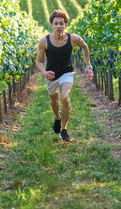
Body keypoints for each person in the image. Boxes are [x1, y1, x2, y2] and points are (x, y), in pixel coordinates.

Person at [35, 9, 93, 141]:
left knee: (65, 97)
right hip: (51, 75)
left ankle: (64, 129)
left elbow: (84, 46)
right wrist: (44, 72)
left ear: (65, 25)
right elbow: (38, 62)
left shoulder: (73, 38)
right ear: (52, 25)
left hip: (67, 72)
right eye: (56, 24)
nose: (59, 26)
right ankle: (57, 117)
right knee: (54, 102)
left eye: (61, 23)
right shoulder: (44, 41)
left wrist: (88, 65)